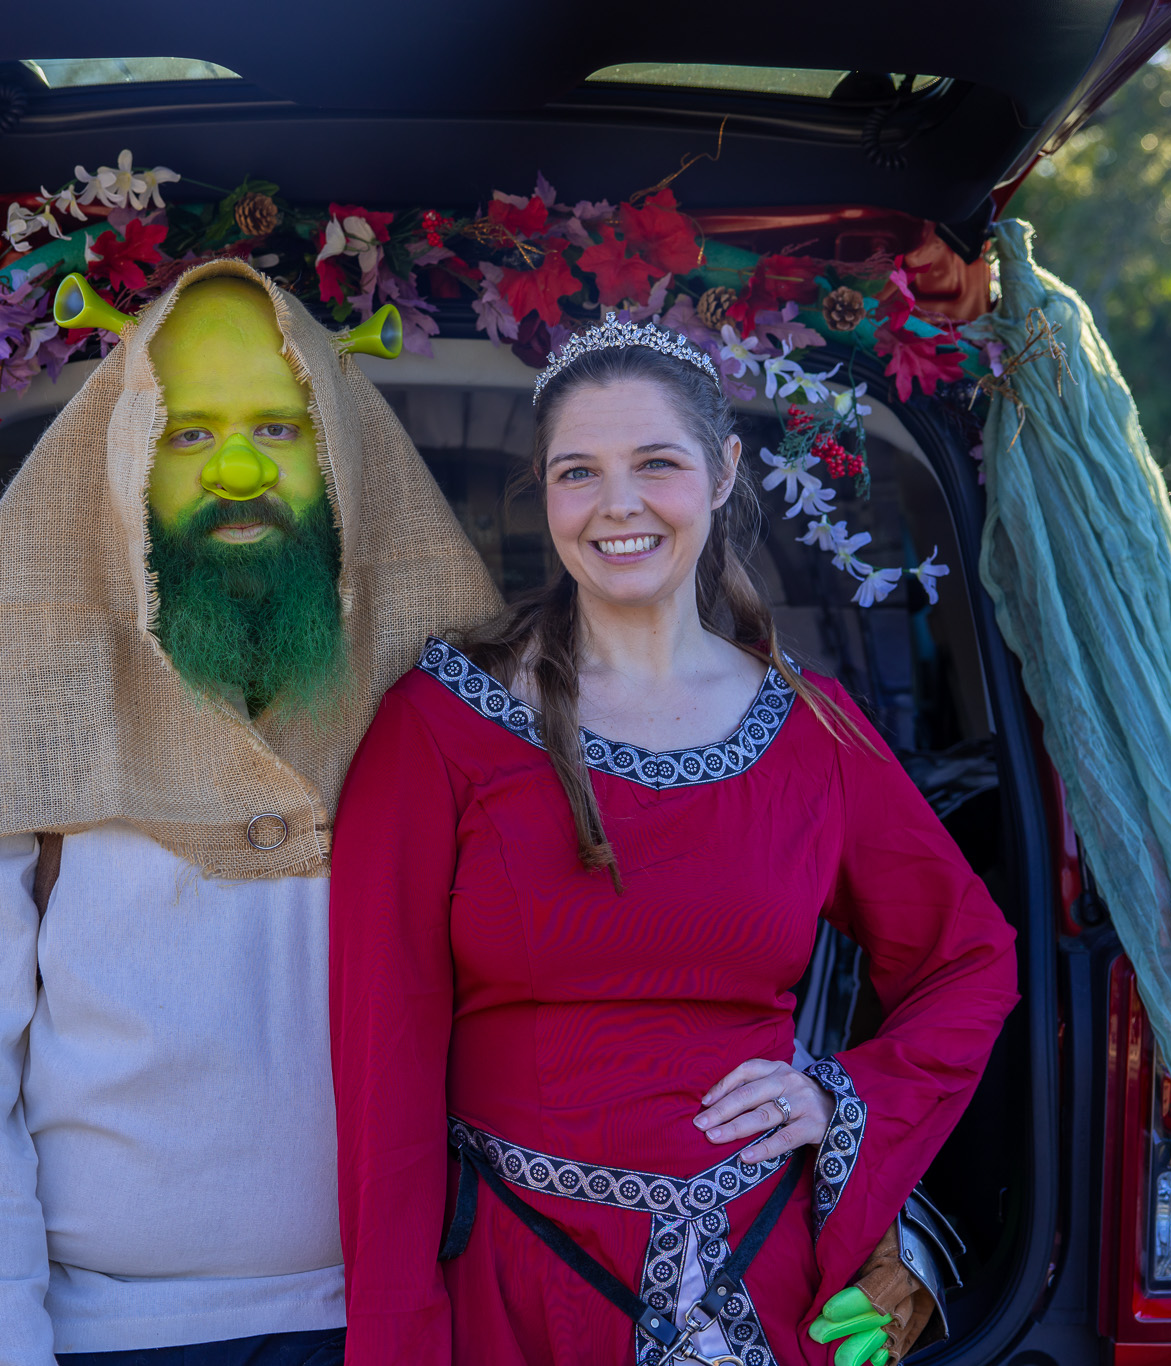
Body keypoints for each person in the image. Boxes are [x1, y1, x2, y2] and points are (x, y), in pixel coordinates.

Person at [329, 316, 1020, 1366]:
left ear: (723, 470)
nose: (618, 504)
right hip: (513, 1283)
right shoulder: (437, 728)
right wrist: (397, 1340)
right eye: (579, 472)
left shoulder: (815, 732)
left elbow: (967, 958)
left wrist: (836, 1096)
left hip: (753, 1276)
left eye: (655, 462)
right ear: (545, 491)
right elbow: (383, 1064)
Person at [0, 262, 499, 1365]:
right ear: (127, 455)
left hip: (393, 1322)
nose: (236, 470)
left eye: (276, 428)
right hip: (105, 1336)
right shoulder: (24, 702)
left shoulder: (445, 695)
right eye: (187, 434)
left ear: (339, 455)